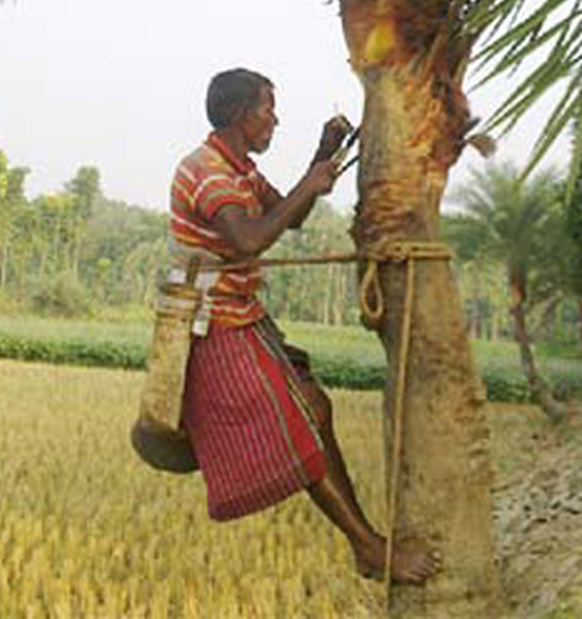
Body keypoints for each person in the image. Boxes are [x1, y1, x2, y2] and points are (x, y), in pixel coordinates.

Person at [169, 67, 440, 585]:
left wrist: (324, 154)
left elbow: (286, 216)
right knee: (304, 422)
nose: (274, 119)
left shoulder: (240, 168)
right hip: (216, 323)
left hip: (243, 315)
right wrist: (315, 181)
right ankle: (368, 547)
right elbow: (250, 240)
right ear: (238, 114)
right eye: (267, 109)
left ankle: (366, 544)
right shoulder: (205, 170)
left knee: (315, 407)